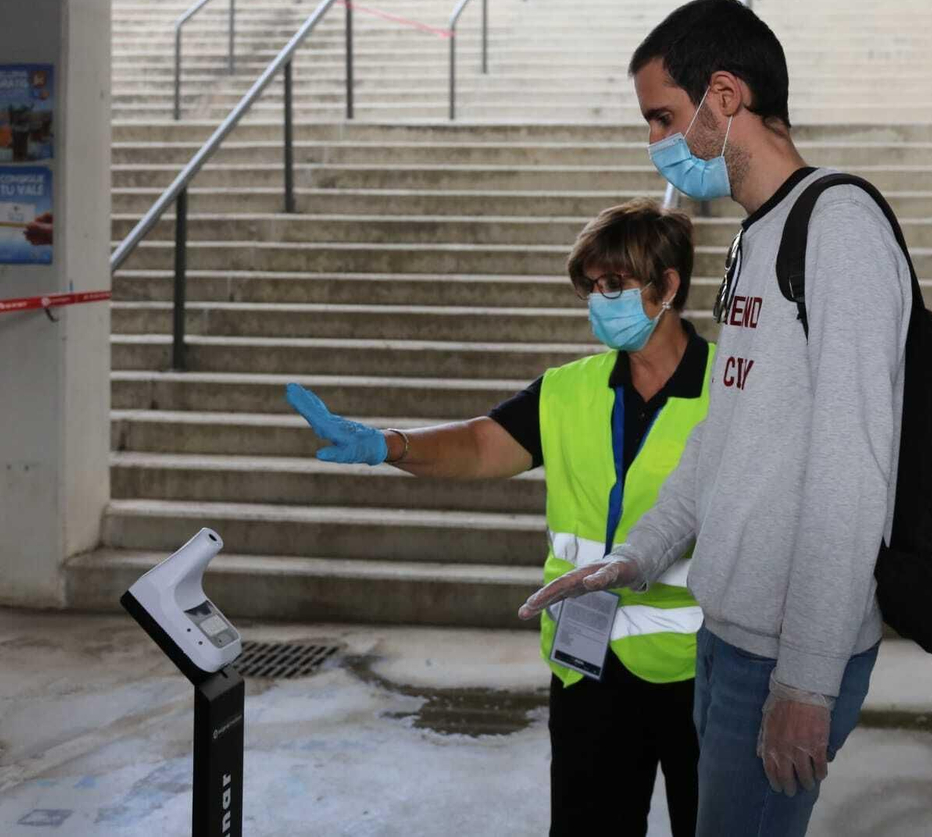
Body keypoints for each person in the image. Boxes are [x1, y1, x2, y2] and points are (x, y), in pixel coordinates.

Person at [519, 0, 913, 837]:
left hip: (781, 656)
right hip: (726, 637)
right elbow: (720, 443)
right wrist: (634, 558)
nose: (656, 141)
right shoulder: (754, 239)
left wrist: (805, 684)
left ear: (724, 98)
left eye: (663, 116)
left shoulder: (836, 227)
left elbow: (854, 469)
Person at [287, 199, 712, 837]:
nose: (600, 301)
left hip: (700, 672)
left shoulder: (731, 393)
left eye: (616, 285)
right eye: (592, 288)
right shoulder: (569, 390)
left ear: (669, 285)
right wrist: (390, 444)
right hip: (586, 663)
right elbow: (483, 442)